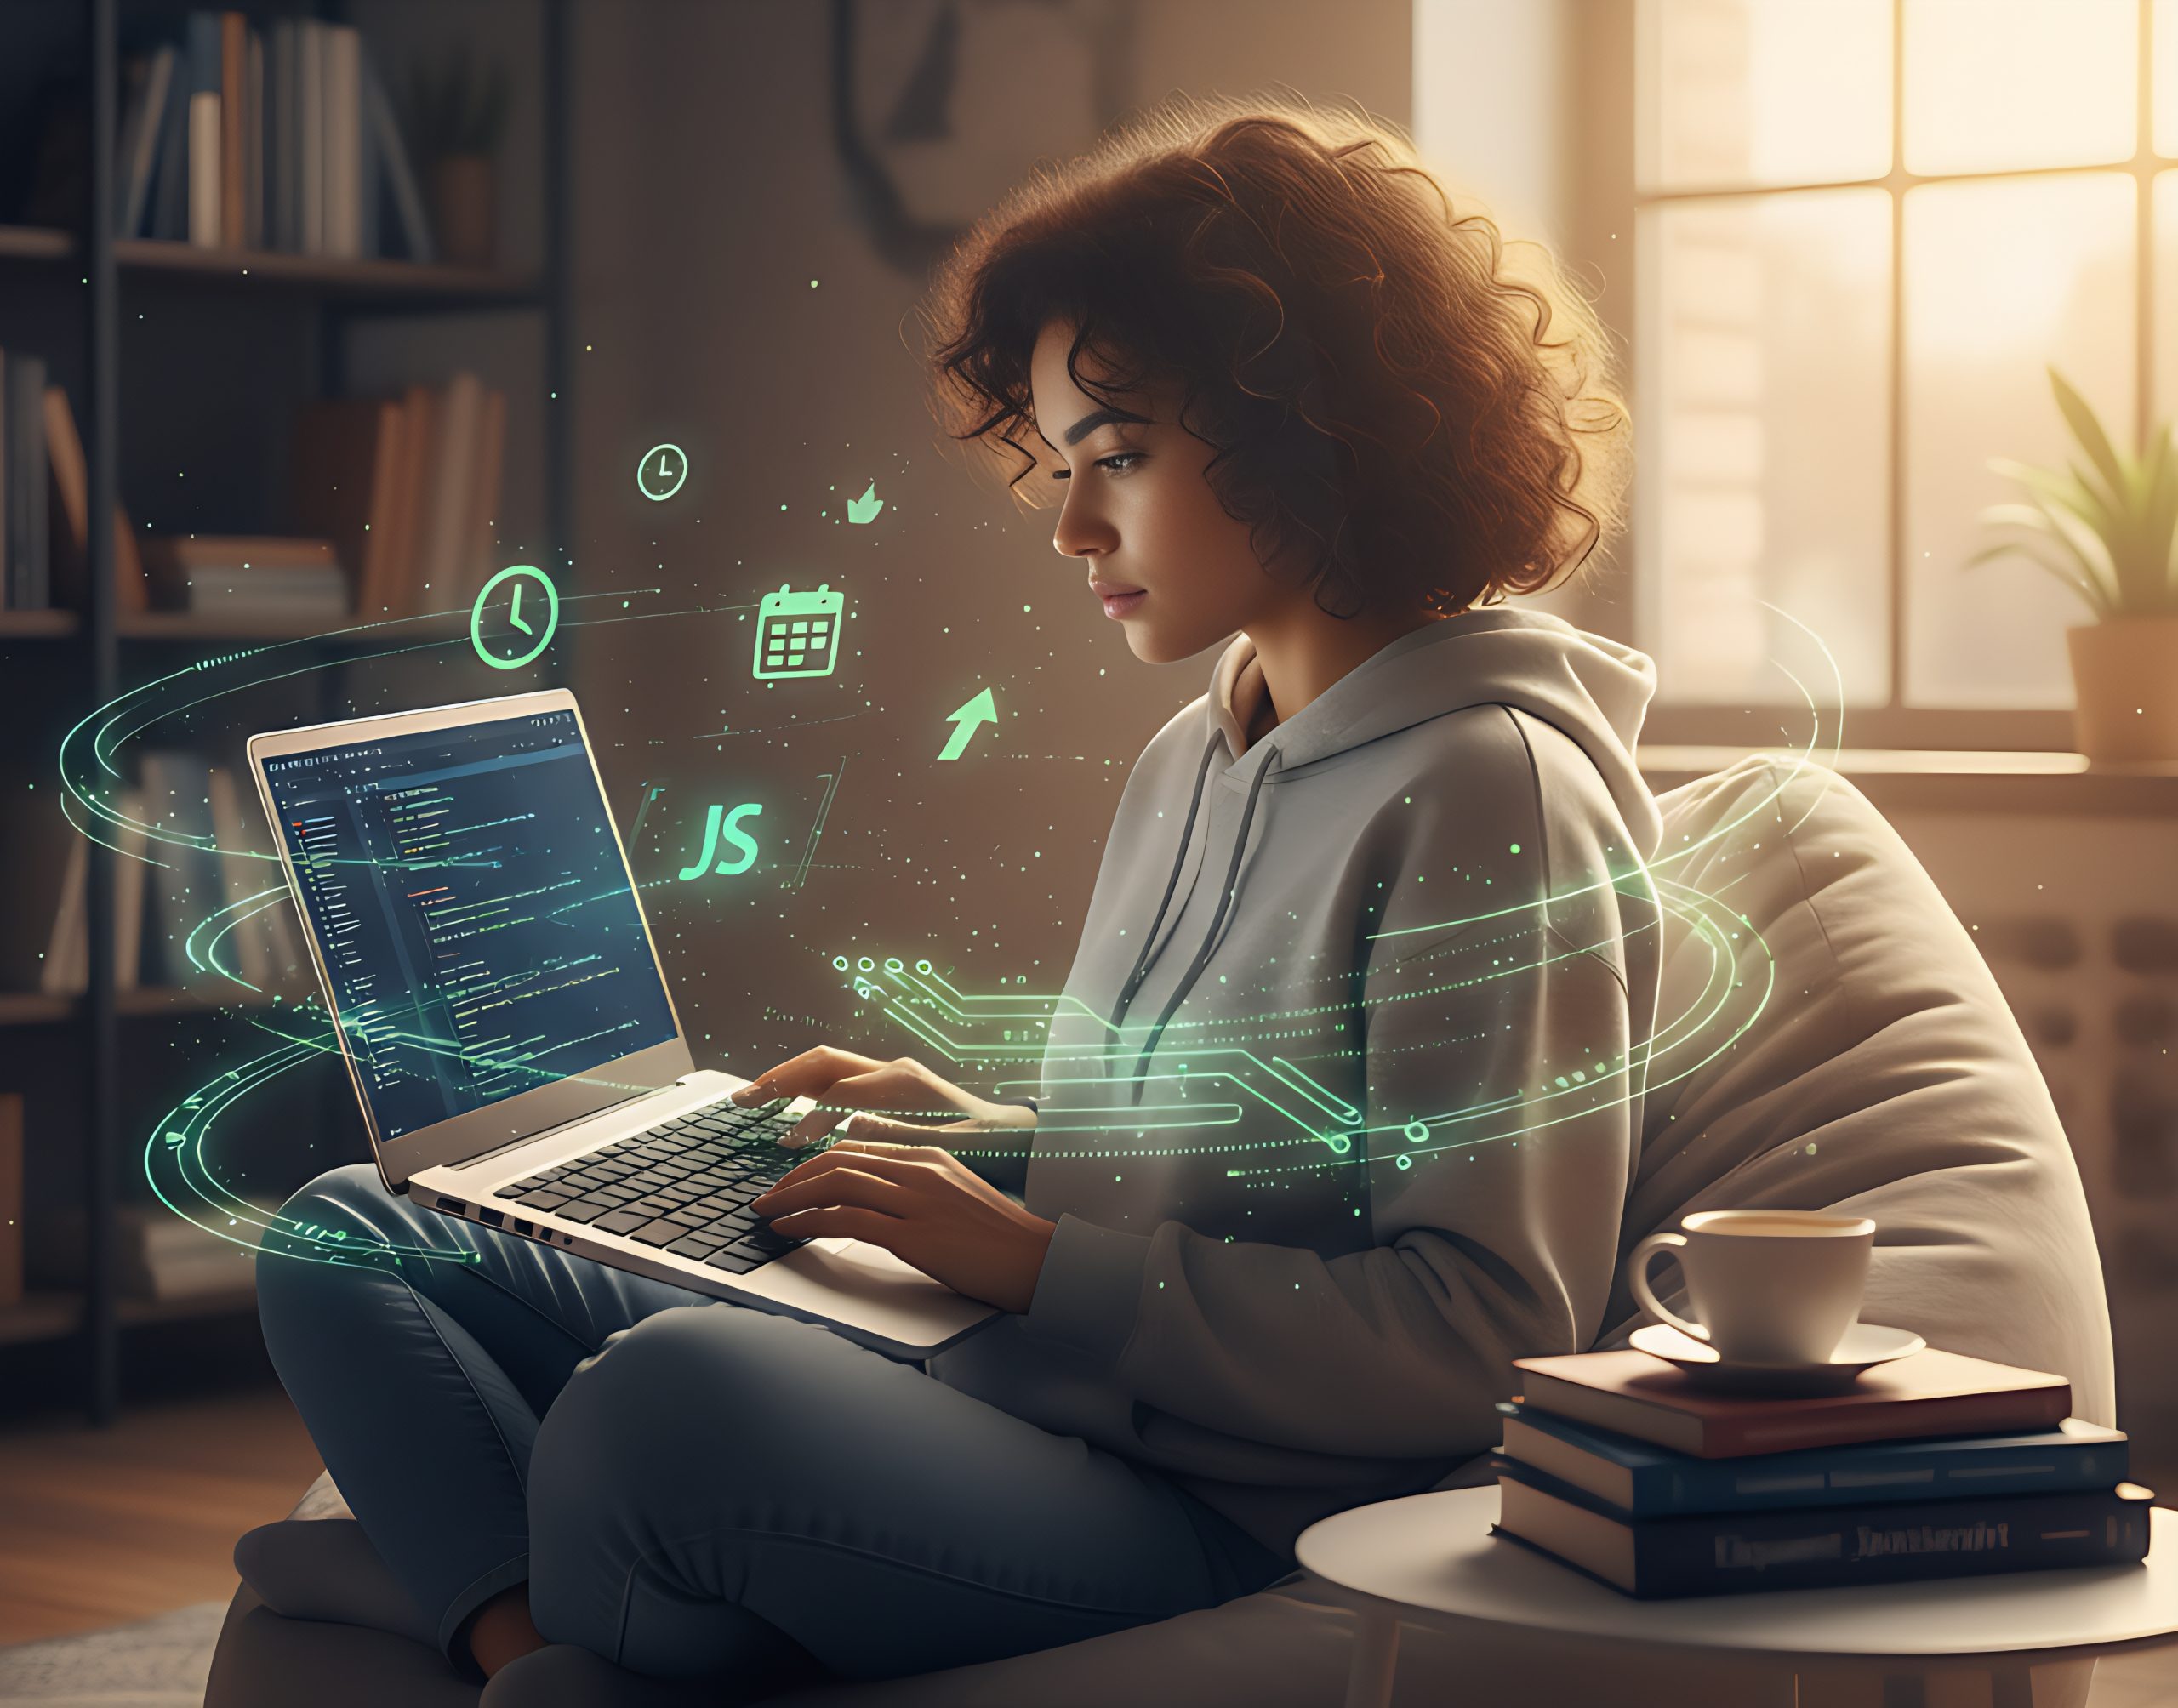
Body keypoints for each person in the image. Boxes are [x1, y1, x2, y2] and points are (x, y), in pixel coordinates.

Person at [255, 95, 1657, 1695]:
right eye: (1065, 461)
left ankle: (519, 1615)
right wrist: (990, 1145)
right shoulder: (1193, 758)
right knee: (359, 1233)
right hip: (1036, 1389)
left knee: (665, 1402)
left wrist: (1029, 1263)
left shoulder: (1493, 789)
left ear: (1312, 428)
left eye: (1119, 458)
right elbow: (1224, 1172)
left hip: (1221, 1510)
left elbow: (1485, 1333)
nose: (1071, 527)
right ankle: (526, 1653)